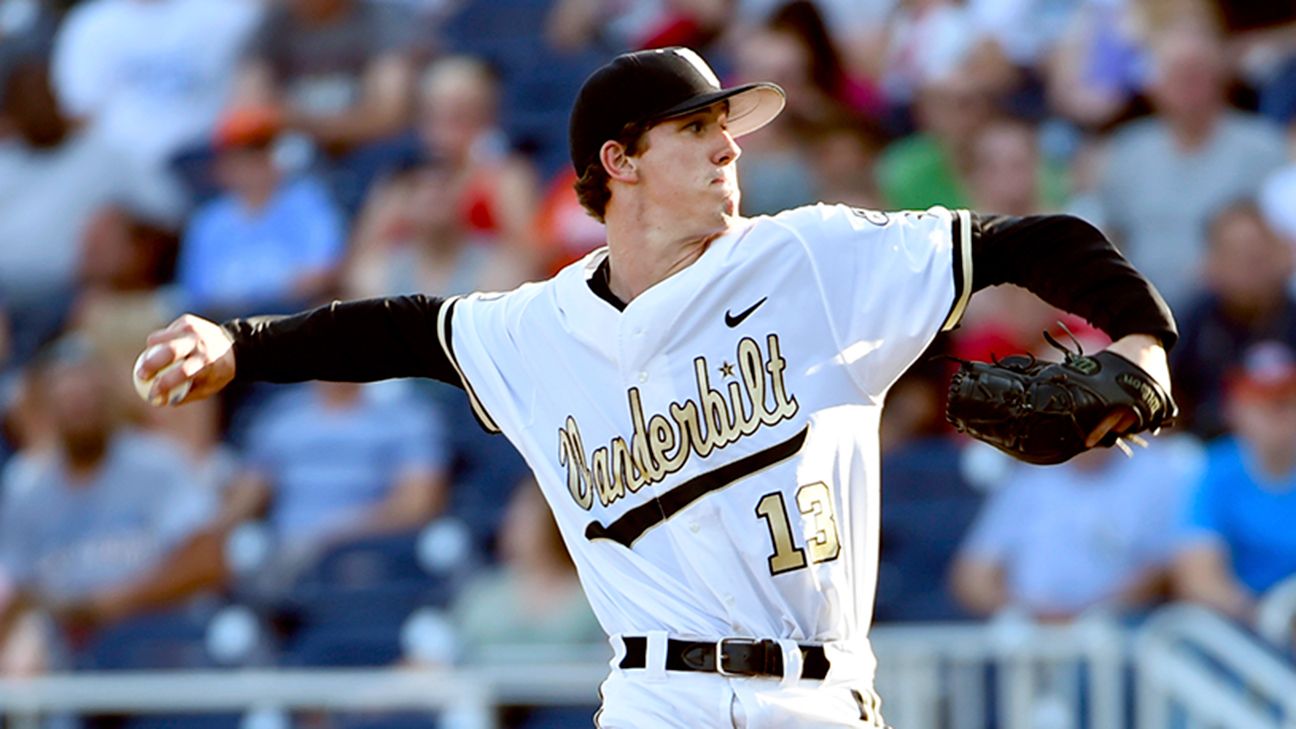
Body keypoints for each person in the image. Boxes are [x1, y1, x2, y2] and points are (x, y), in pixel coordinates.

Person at [137, 46, 1176, 727]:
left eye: (727, 126)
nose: (729, 144)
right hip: (650, 697)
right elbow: (404, 330)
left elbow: (1035, 240)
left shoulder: (809, 257)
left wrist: (1142, 347)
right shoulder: (538, 326)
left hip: (809, 701)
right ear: (617, 161)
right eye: (695, 129)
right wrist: (242, 346)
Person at [1173, 341, 1296, 624]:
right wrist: (1264, 617)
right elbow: (1198, 575)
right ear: (1234, 408)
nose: (1276, 414)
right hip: (1247, 630)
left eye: (1286, 400)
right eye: (1261, 401)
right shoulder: (1215, 470)